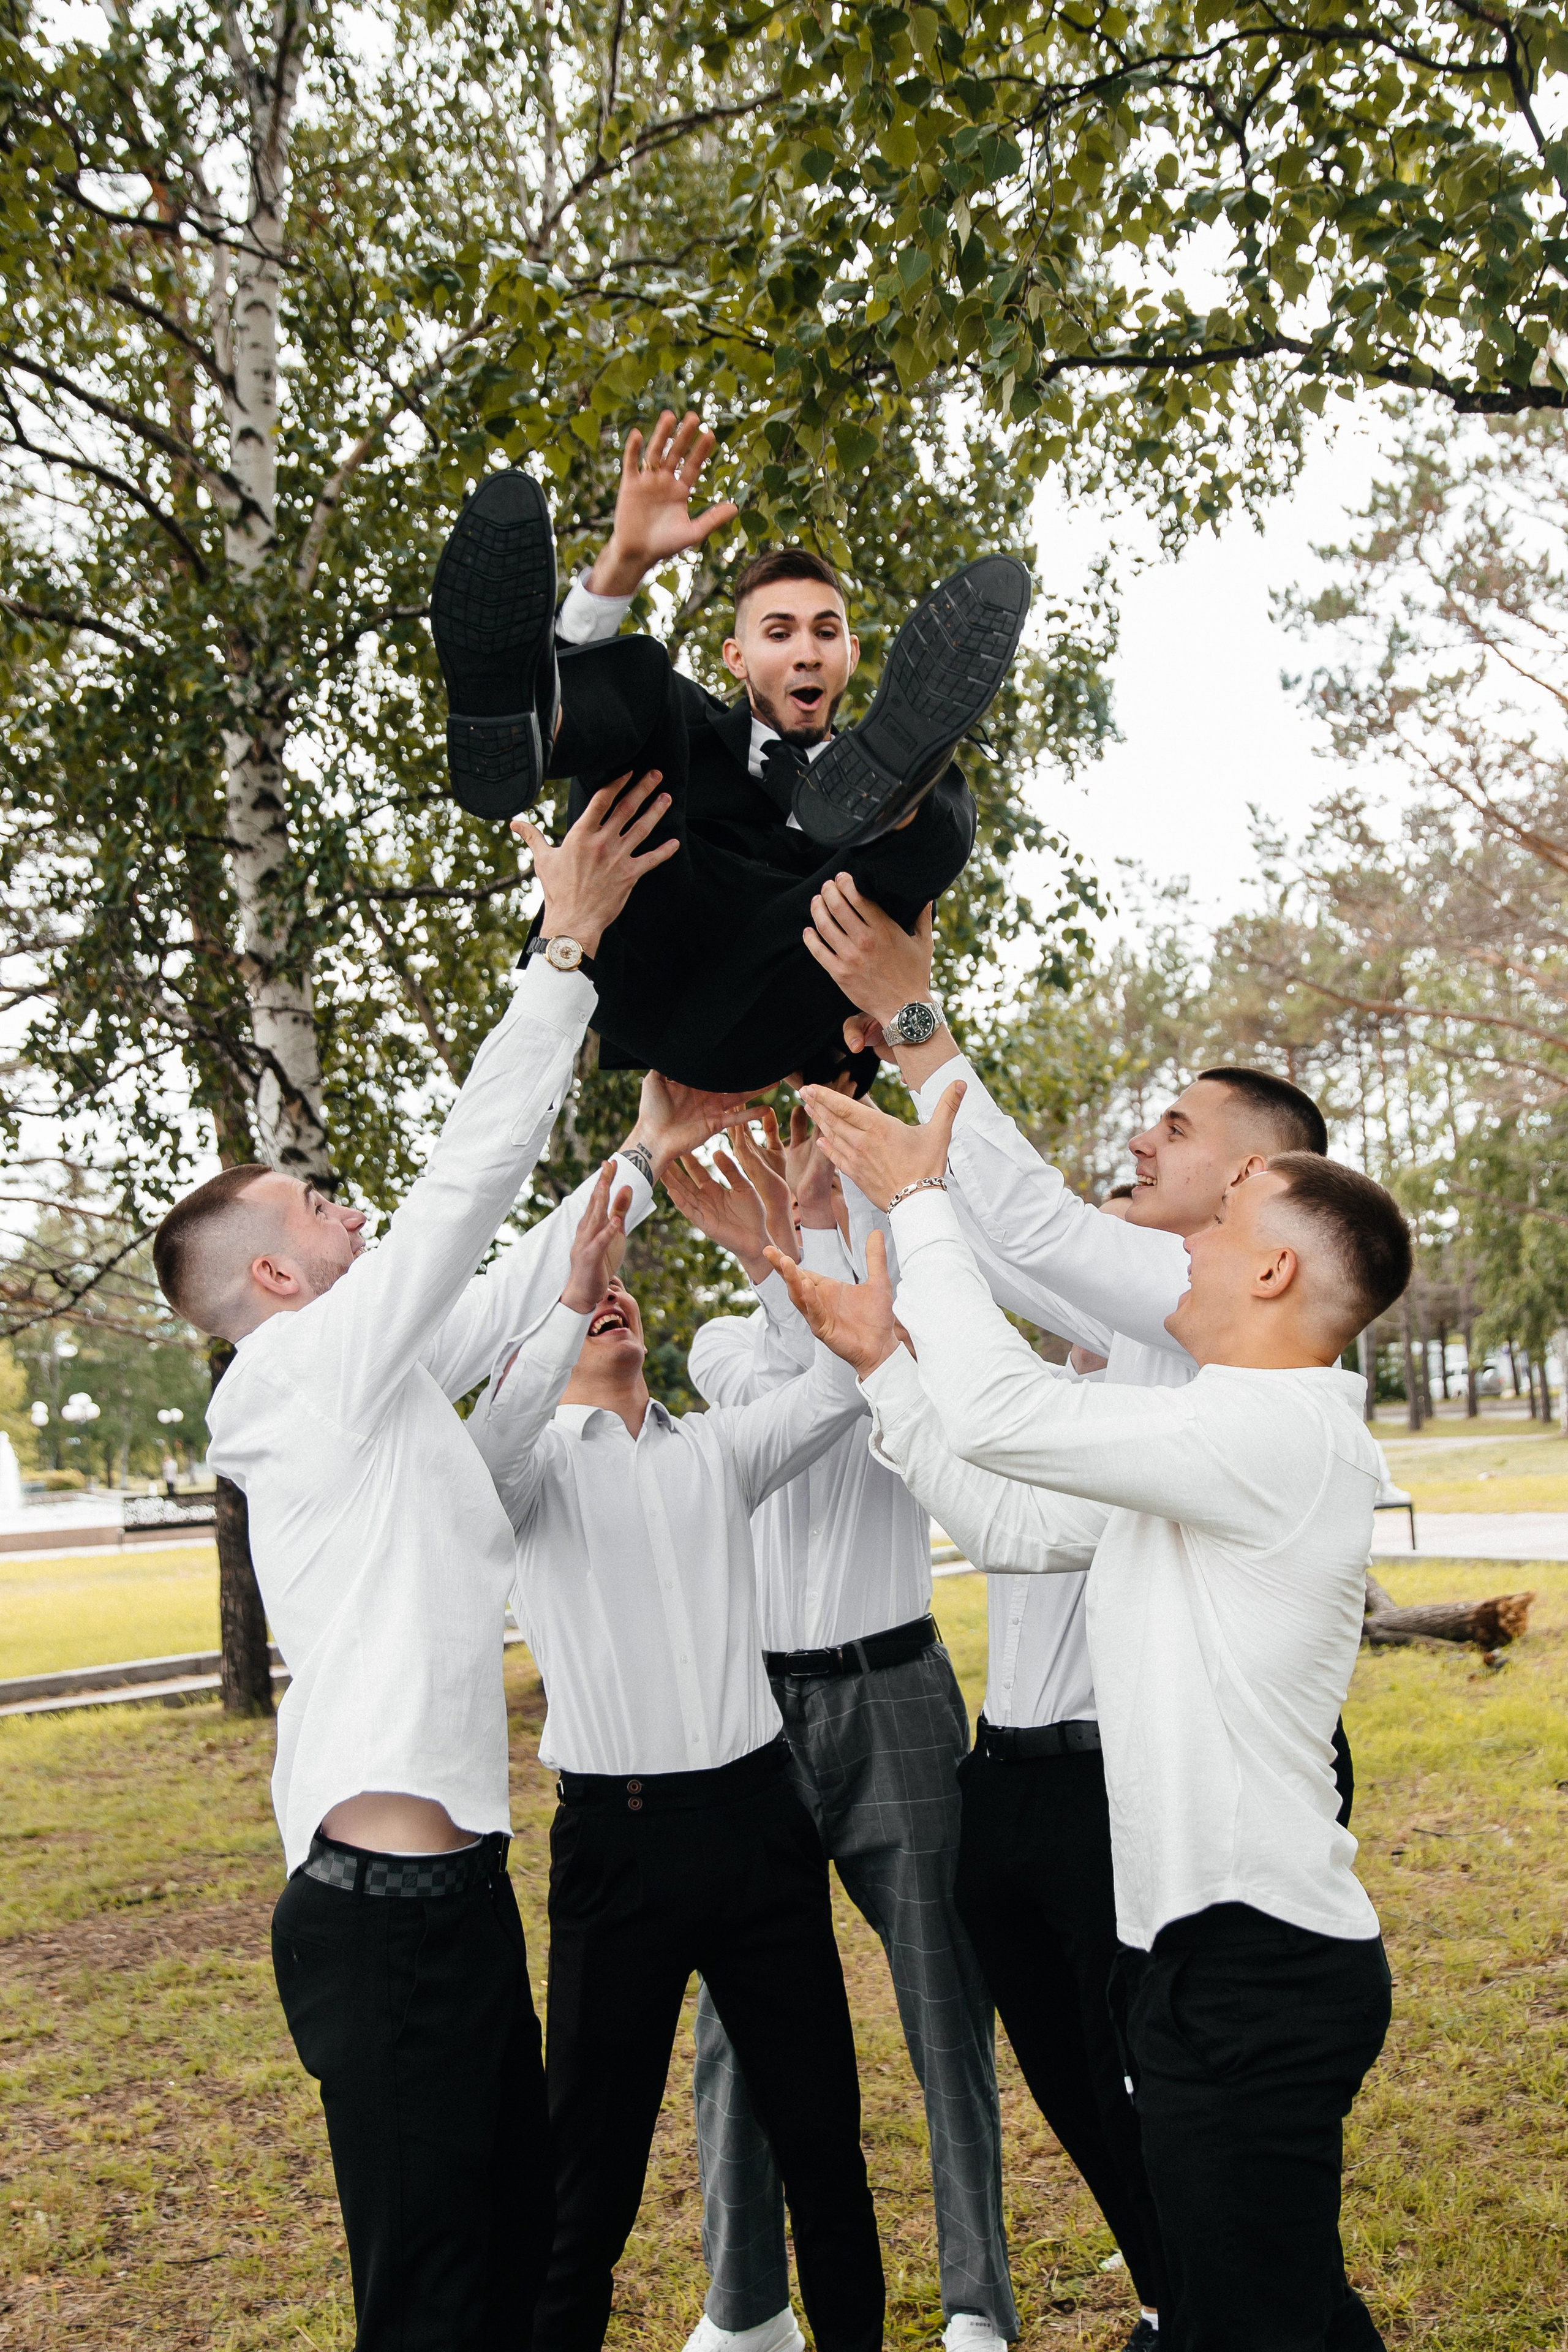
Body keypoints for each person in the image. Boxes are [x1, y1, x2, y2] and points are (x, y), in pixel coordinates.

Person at [149, 778, 746, 2352]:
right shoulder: (288, 1378)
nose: (352, 1213)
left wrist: (637, 1157)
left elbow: (495, 1352)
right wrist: (561, 956)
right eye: (319, 1207)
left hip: (457, 1898)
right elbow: (456, 1209)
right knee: (429, 2298)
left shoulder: (377, 1395)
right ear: (275, 1274)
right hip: (381, 1917)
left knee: (514, 2251)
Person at [773, 1082, 1412, 2352]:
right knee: (1250, 2306)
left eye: (1218, 1226)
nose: (1182, 1247)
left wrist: (918, 1201)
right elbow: (1013, 1520)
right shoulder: (1197, 1438)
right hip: (1202, 1958)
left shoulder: (1270, 1435)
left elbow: (1008, 1410)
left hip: (1257, 1972)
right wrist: (883, 1363)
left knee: (1255, 2316)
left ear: (1274, 1269)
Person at [802, 876, 1357, 1820]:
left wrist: (914, 1017)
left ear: (1252, 1175)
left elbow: (1035, 1230)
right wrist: (861, 1116)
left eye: (1175, 1129)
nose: (1141, 1143)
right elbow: (980, 1253)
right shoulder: (1164, 1309)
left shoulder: (1213, 1301)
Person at [466, 1156, 886, 2352]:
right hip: (618, 1851)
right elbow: (486, 1452)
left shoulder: (719, 1452)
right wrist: (562, 1292)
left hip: (761, 1832)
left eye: (614, 1291)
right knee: (581, 2183)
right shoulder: (522, 1478)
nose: (612, 1298)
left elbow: (841, 1385)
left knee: (823, 2150)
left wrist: (771, 1259)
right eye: (584, 1302)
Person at [665, 1121, 1017, 2352]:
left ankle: (976, 2298)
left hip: (894, 1697)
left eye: (815, 1155)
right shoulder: (724, 1347)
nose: (799, 1171)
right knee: (735, 2021)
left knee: (942, 2008)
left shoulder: (896, 1331)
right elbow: (797, 1366)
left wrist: (818, 1220)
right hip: (751, 1717)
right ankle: (745, 2305)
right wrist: (780, 1248)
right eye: (788, 1158)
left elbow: (872, 1349)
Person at [428, 410, 1031, 1091]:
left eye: (825, 633)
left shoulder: (869, 810)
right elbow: (628, 698)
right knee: (645, 675)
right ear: (737, 658)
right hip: (645, 952)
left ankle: (894, 802)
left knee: (940, 798)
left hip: (765, 1005)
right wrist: (625, 561)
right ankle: (527, 713)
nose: (806, 651)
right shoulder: (689, 728)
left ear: (852, 655)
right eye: (780, 634)